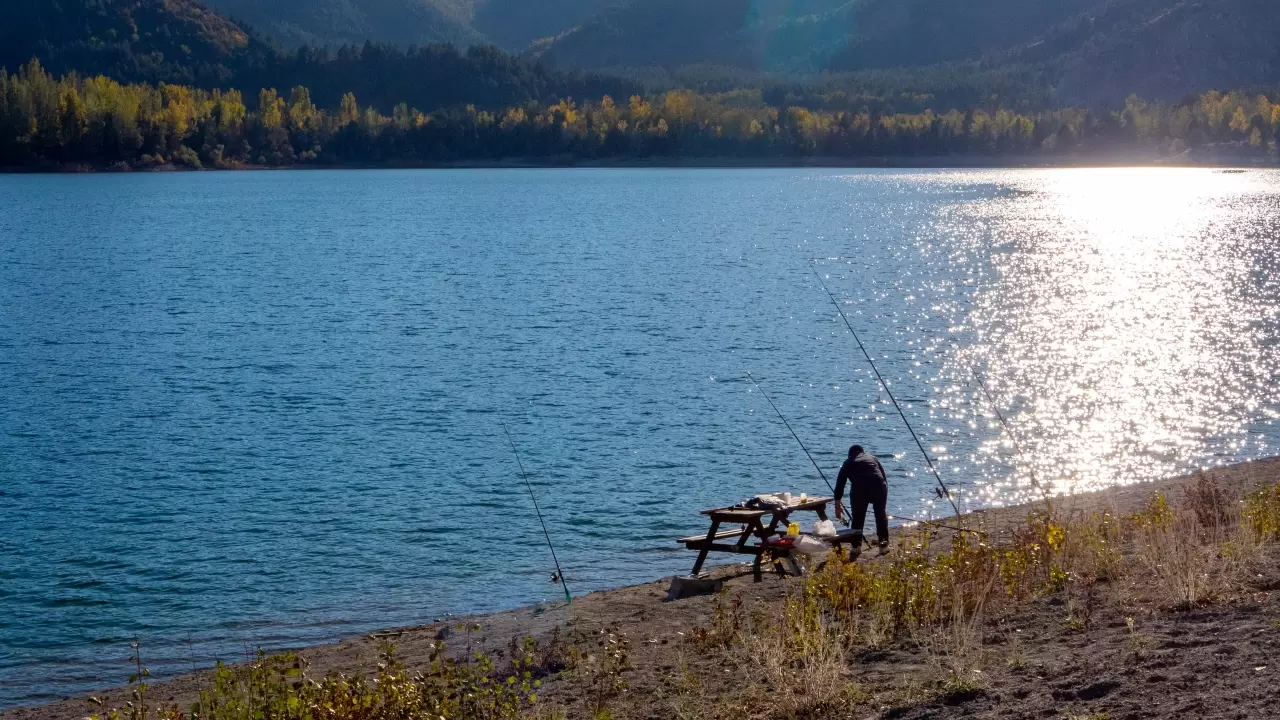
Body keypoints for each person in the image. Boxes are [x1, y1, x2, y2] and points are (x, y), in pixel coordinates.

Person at [833, 444, 890, 554]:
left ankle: (856, 547)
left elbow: (840, 485)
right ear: (862, 452)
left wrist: (837, 507)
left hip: (860, 489)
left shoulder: (848, 462)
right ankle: (883, 546)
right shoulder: (873, 458)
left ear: (850, 455)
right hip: (879, 486)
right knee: (881, 515)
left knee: (858, 517)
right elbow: (883, 477)